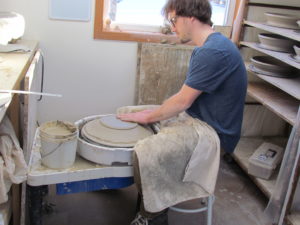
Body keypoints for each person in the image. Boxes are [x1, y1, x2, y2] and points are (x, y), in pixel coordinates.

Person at [118, 0, 247, 224]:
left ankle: (153, 216)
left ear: (190, 17)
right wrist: (152, 112)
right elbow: (184, 98)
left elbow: (183, 101)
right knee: (126, 112)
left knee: (146, 150)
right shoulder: (209, 46)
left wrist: (149, 115)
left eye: (173, 20)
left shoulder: (213, 51)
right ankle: (141, 190)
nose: (172, 27)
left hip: (213, 133)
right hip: (196, 118)